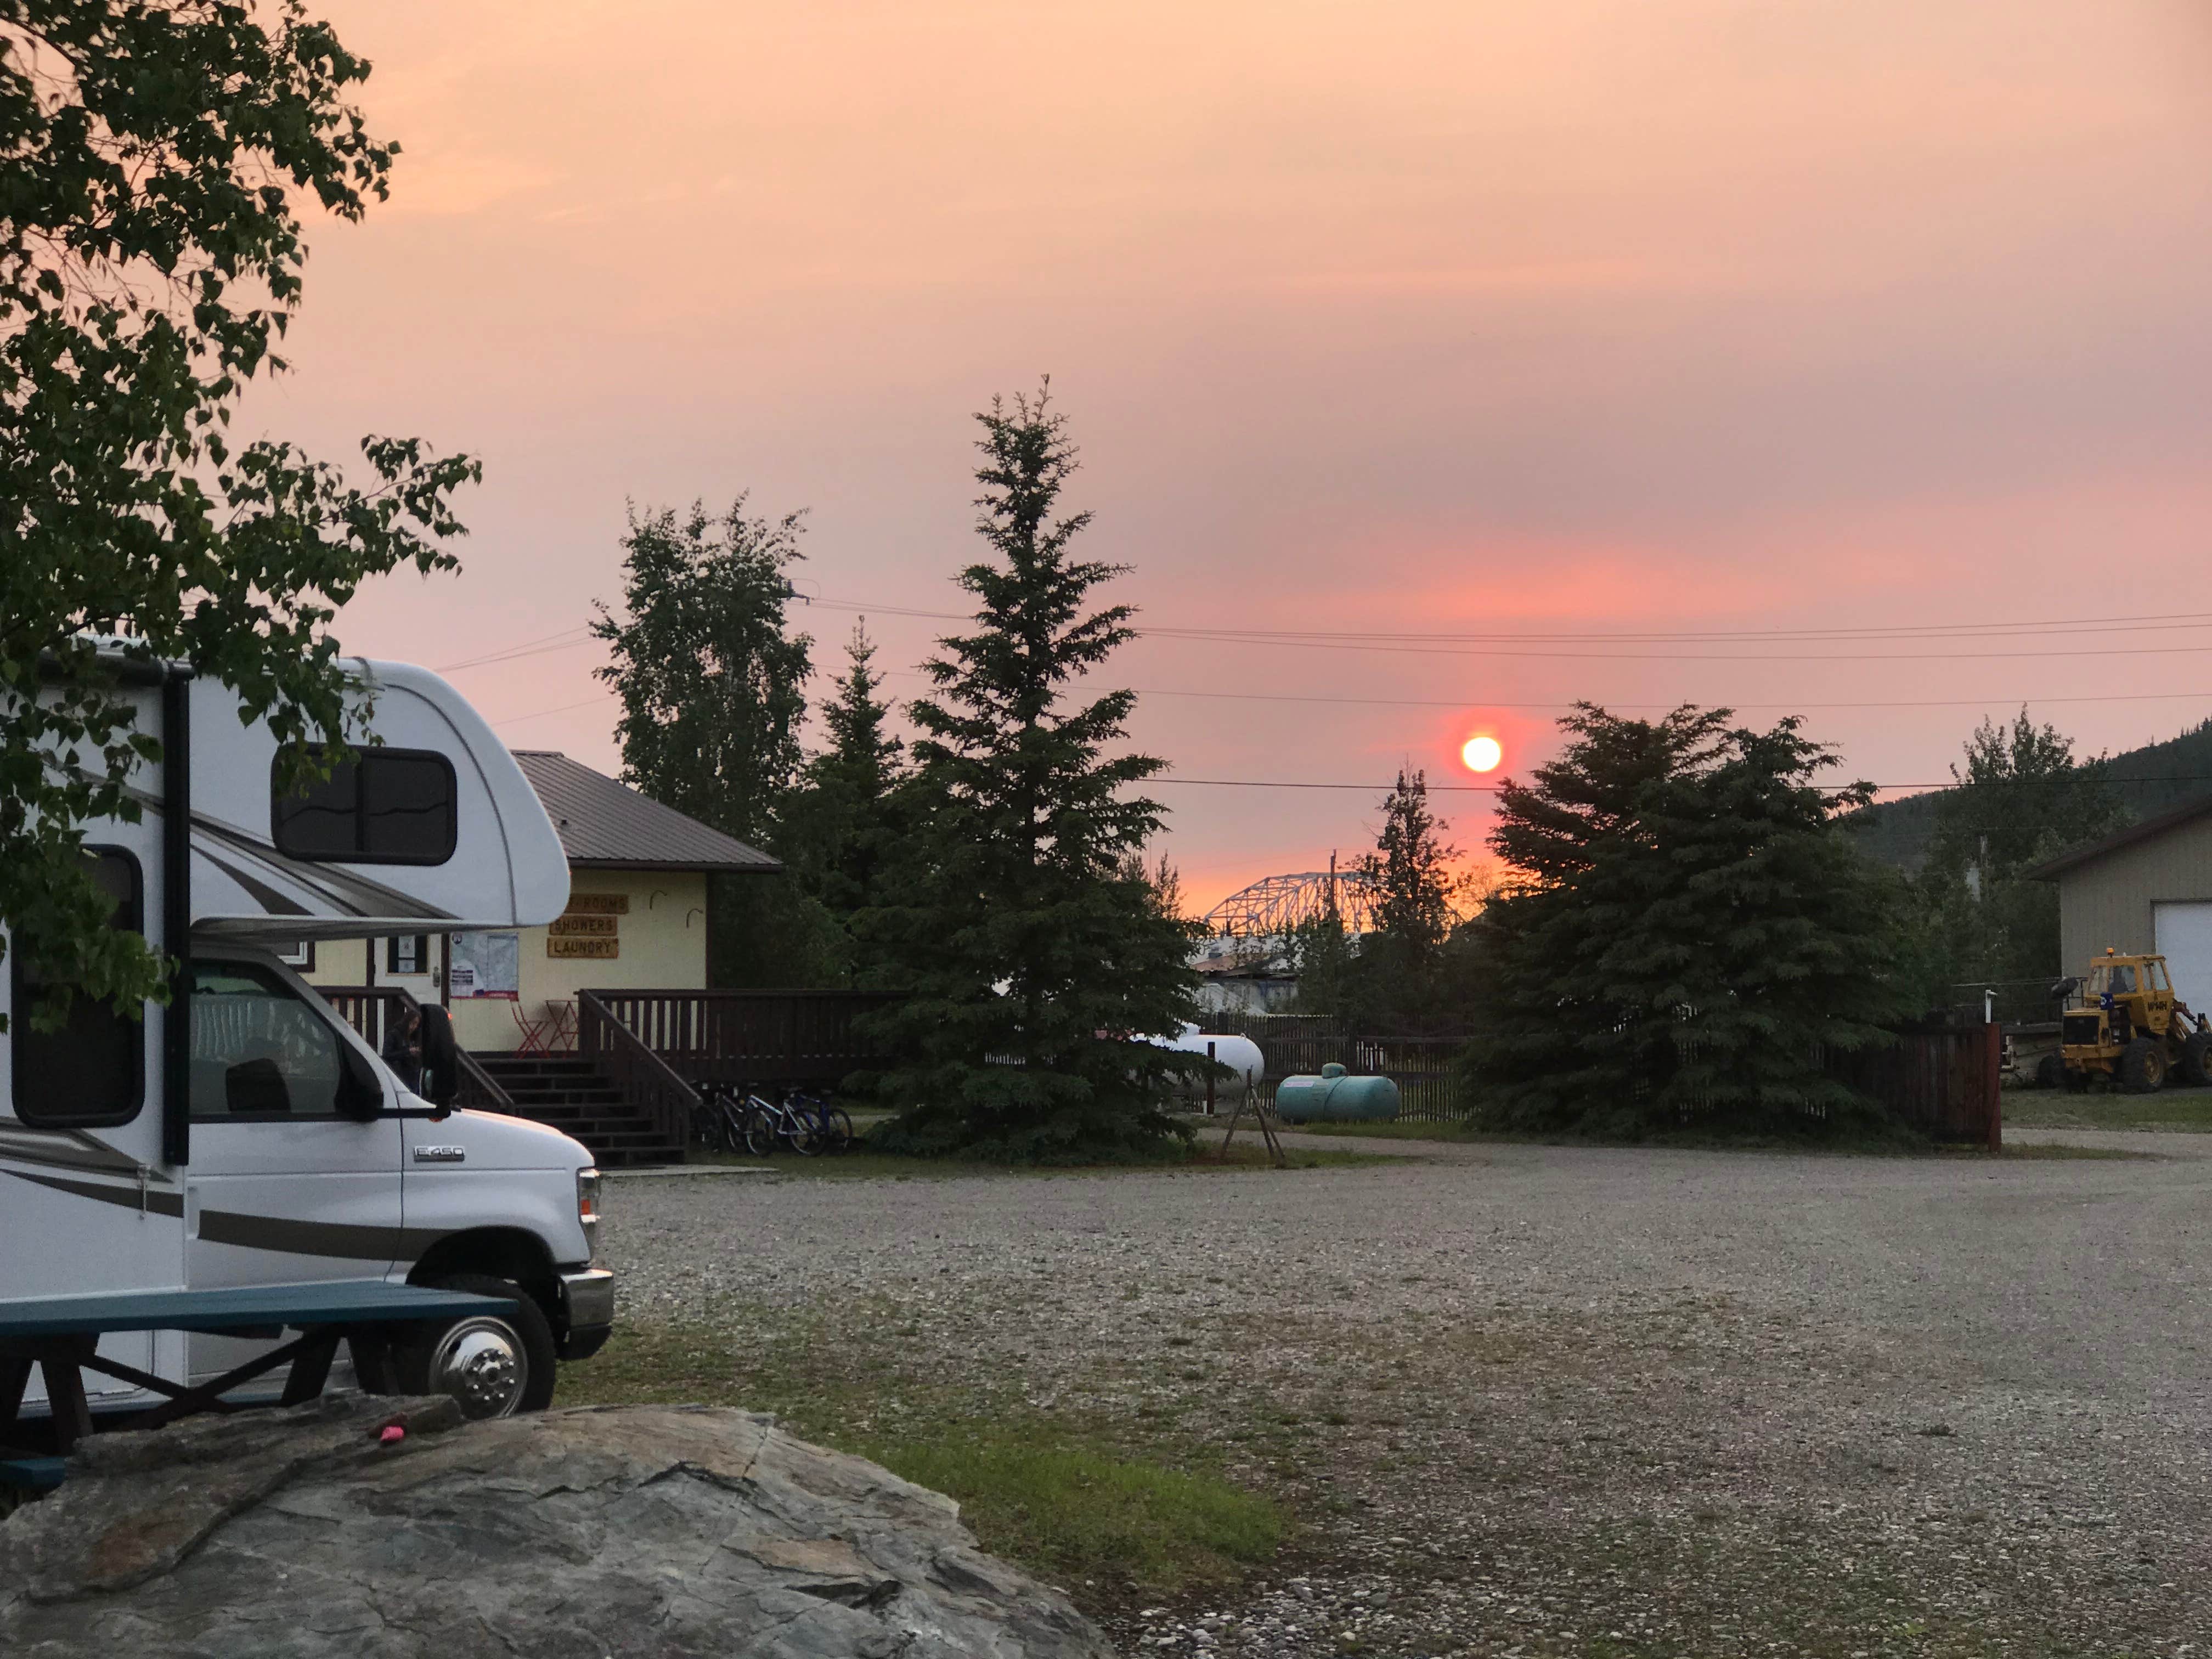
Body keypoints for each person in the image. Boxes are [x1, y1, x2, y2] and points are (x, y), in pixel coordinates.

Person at [381, 1003, 422, 1093]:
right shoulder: (394, 1034)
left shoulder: (414, 1037)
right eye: (413, 1023)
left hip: (413, 1075)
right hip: (400, 1075)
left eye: (416, 1025)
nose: (414, 1027)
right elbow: (387, 1055)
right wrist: (408, 1052)